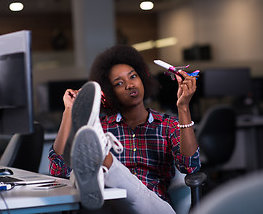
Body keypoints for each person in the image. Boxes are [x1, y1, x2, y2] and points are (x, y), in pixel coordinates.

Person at [48, 45, 201, 214]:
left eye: (133, 77)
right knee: (99, 195)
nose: (129, 85)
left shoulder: (167, 124)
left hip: (156, 207)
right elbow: (58, 171)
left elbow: (190, 167)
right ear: (110, 92)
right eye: (119, 83)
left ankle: (103, 160)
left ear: (142, 78)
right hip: (112, 206)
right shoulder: (105, 126)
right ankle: (92, 172)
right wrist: (69, 111)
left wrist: (183, 107)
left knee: (102, 162)